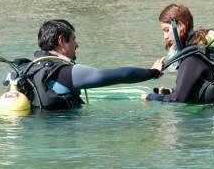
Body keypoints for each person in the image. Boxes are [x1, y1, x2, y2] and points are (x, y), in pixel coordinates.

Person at [11, 19, 164, 110]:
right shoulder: (63, 72)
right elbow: (118, 75)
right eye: (73, 39)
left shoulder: (29, 69)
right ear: (61, 41)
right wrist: (152, 72)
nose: (76, 44)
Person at [141, 3, 214, 104]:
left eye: (166, 30)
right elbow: (196, 89)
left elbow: (177, 99)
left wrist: (149, 97)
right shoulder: (202, 52)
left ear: (180, 26)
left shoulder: (191, 58)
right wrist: (170, 92)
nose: (165, 37)